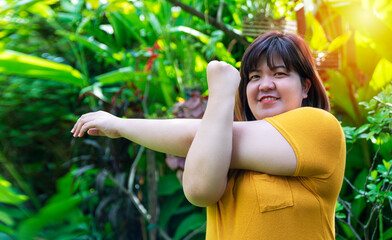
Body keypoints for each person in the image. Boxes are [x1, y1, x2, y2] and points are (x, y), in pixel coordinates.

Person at [71, 31, 346, 239]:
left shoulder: (320, 127)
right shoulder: (219, 143)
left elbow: (195, 150)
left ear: (306, 86)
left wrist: (221, 93)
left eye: (280, 73)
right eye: (253, 77)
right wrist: (119, 125)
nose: (265, 85)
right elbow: (201, 189)